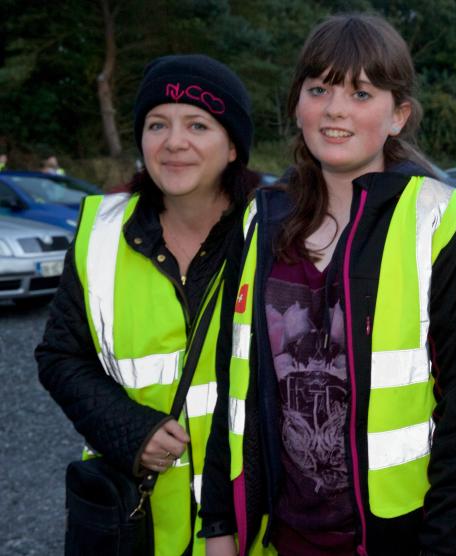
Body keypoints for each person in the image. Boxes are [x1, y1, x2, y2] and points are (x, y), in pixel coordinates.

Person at [200, 14, 456, 556]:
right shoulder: (260, 223)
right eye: (319, 89)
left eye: (361, 92)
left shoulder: (443, 227)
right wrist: (219, 523)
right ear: (297, 105)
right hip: (280, 537)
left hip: (395, 539)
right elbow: (232, 386)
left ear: (398, 115)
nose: (335, 109)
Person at [36, 54, 260, 555]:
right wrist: (129, 431)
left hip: (251, 524)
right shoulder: (100, 233)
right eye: (157, 124)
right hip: (136, 520)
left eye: (198, 124)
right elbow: (58, 357)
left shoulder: (273, 235)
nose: (173, 142)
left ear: (232, 147)